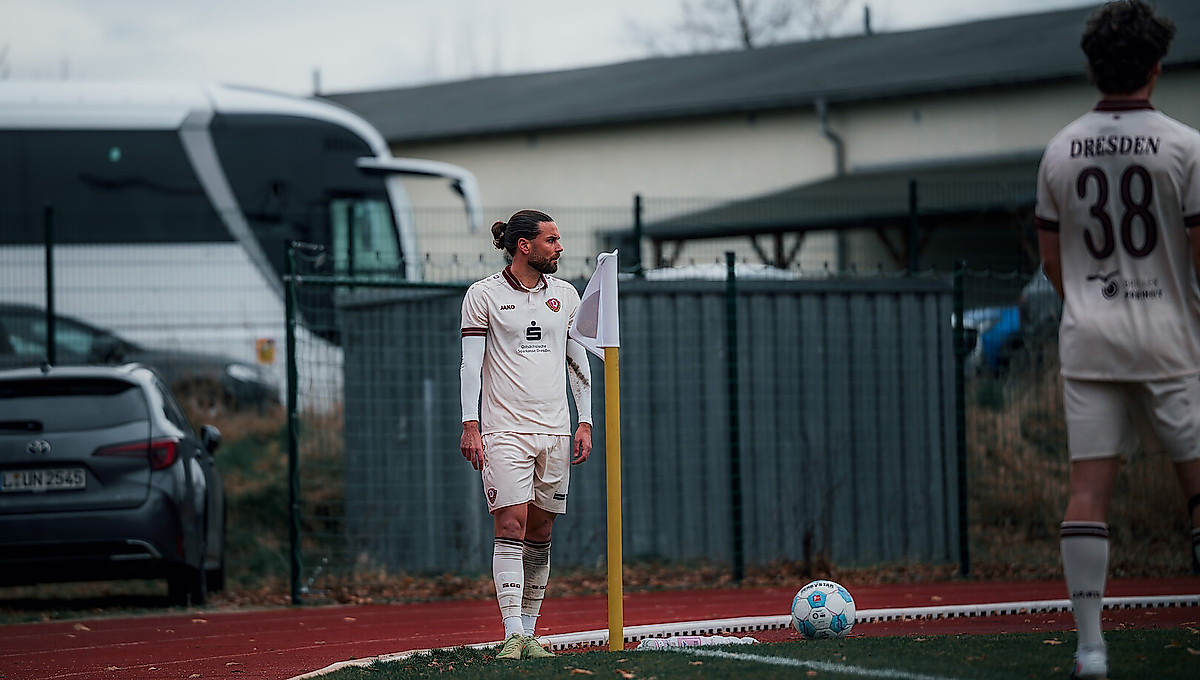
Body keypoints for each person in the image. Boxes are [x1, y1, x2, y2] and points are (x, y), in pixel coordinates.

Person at [1034, 2, 1200, 678]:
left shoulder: (1060, 148)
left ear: (1091, 67)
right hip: (1169, 338)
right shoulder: (1185, 145)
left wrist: (1092, 310)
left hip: (1090, 341)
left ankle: (1092, 651)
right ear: (1157, 68)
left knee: (1088, 493)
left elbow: (1051, 259)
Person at [459, 209, 593, 660]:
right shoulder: (483, 295)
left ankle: (531, 634)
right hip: (504, 431)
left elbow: (578, 361)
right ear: (524, 245)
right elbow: (470, 365)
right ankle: (512, 632)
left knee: (540, 532)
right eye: (552, 240)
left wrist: (585, 420)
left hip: (556, 431)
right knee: (510, 524)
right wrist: (470, 424)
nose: (559, 248)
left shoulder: (567, 295)